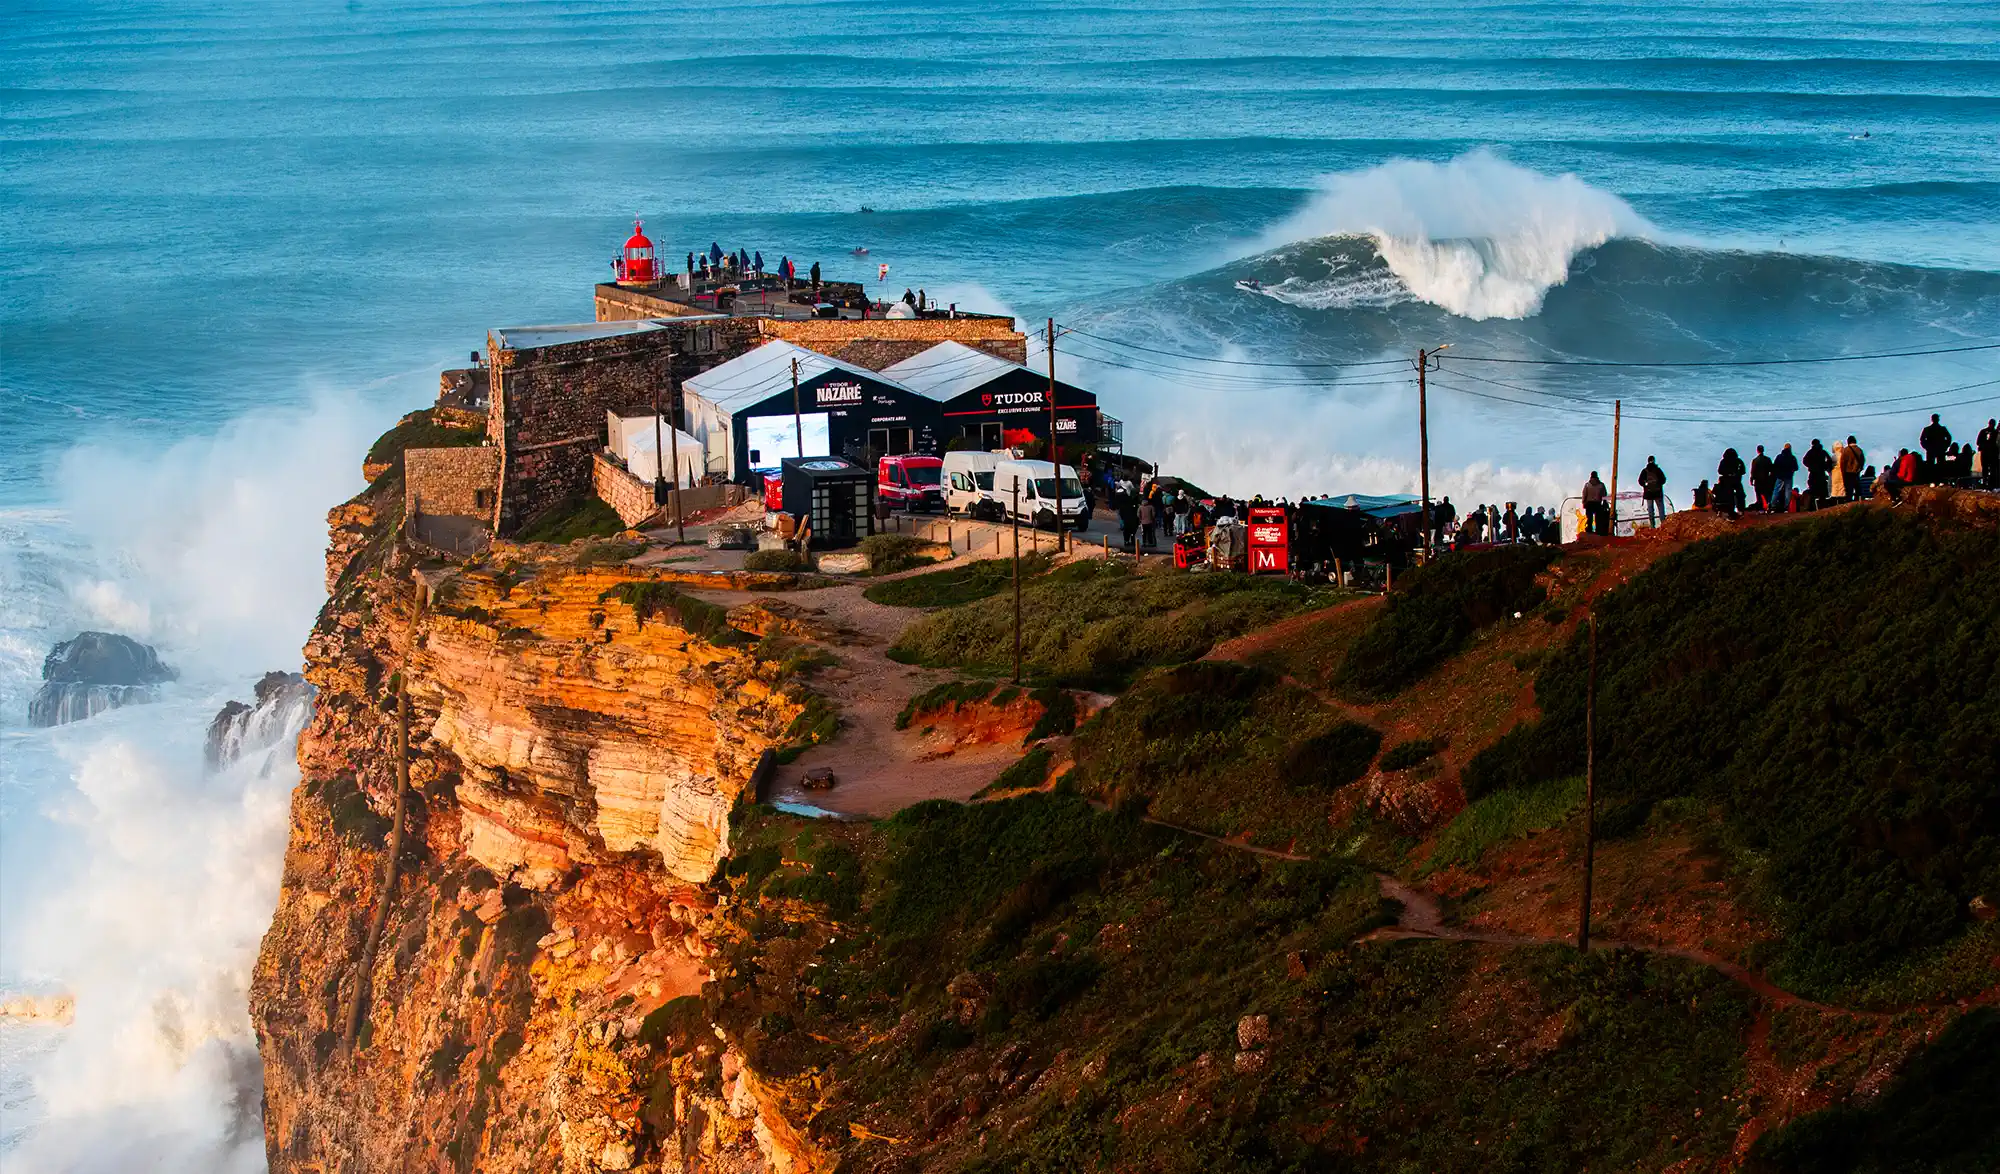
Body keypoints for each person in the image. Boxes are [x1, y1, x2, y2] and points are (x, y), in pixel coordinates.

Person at [1919, 413, 1952, 480]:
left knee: (1932, 466)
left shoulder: (1928, 429)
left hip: (1934, 450)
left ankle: (1932, 480)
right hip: (1938, 450)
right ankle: (1939, 480)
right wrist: (1945, 446)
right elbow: (1949, 438)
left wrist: (1927, 447)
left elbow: (1922, 440)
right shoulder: (1941, 429)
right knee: (1939, 466)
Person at [1802, 439, 1832, 509]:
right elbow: (1829, 460)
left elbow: (1804, 461)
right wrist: (1825, 467)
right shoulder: (1823, 451)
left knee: (1813, 491)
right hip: (1821, 474)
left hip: (1813, 474)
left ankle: (1812, 507)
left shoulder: (1810, 452)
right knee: (1822, 491)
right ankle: (1823, 506)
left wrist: (1811, 466)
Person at [1638, 455, 1667, 526]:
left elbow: (1640, 481)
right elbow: (1663, 480)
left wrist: (1645, 485)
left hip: (1648, 493)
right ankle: (1663, 525)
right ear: (1654, 461)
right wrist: (1658, 484)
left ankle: (1652, 526)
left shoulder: (1644, 471)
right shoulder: (1658, 470)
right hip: (1658, 493)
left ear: (1648, 461)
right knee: (1661, 509)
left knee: (1650, 510)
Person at [1717, 448, 1746, 517]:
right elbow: (1743, 471)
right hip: (1737, 480)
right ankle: (1740, 510)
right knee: (1740, 495)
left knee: (1729, 496)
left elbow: (1720, 471)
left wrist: (1727, 473)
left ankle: (1730, 511)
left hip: (1727, 481)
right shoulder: (1739, 461)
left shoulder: (1724, 461)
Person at [1772, 443, 1799, 509]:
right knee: (1788, 491)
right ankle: (1786, 506)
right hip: (1789, 476)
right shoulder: (1792, 457)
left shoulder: (1779, 456)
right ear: (1790, 449)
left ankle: (1773, 504)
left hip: (1780, 476)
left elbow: (1775, 466)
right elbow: (1796, 468)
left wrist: (1777, 472)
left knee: (1776, 490)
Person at [1750, 445, 1775, 511]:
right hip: (1766, 479)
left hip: (1758, 481)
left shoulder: (1755, 460)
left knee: (1758, 495)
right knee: (1767, 494)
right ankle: (1768, 506)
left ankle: (1761, 509)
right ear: (1763, 450)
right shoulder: (1768, 459)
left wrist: (1751, 479)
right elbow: (1772, 470)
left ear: (1757, 451)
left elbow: (1753, 471)